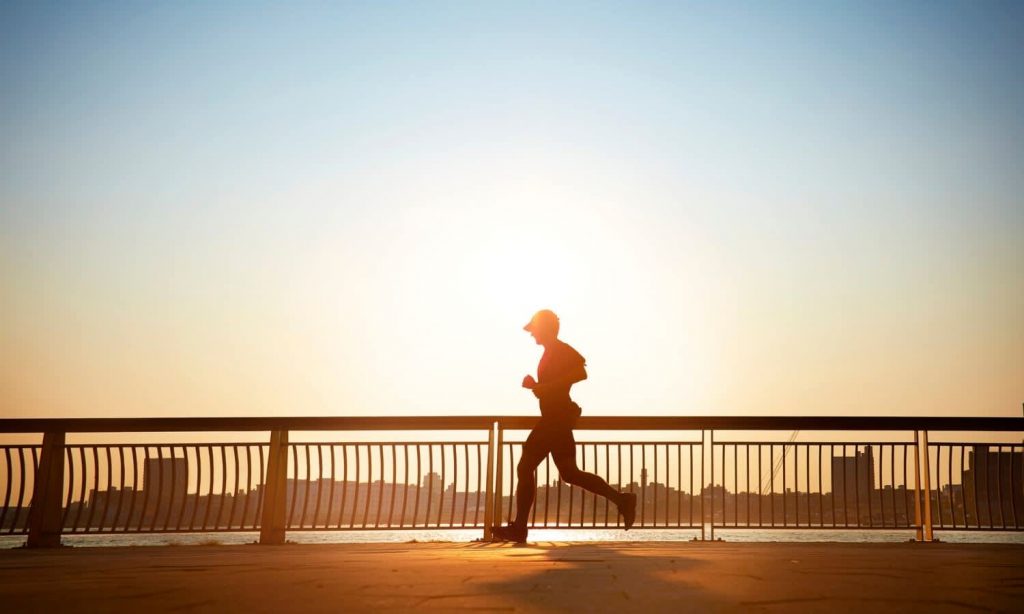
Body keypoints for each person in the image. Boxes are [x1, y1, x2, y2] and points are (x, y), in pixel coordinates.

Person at [491, 309, 637, 543]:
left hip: (554, 420)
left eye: (534, 329)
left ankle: (519, 528)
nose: (531, 335)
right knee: (570, 473)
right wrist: (536, 386)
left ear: (546, 328)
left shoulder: (560, 349)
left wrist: (546, 388)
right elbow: (554, 386)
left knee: (524, 466)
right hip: (556, 419)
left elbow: (581, 373)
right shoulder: (550, 353)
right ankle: (622, 500)